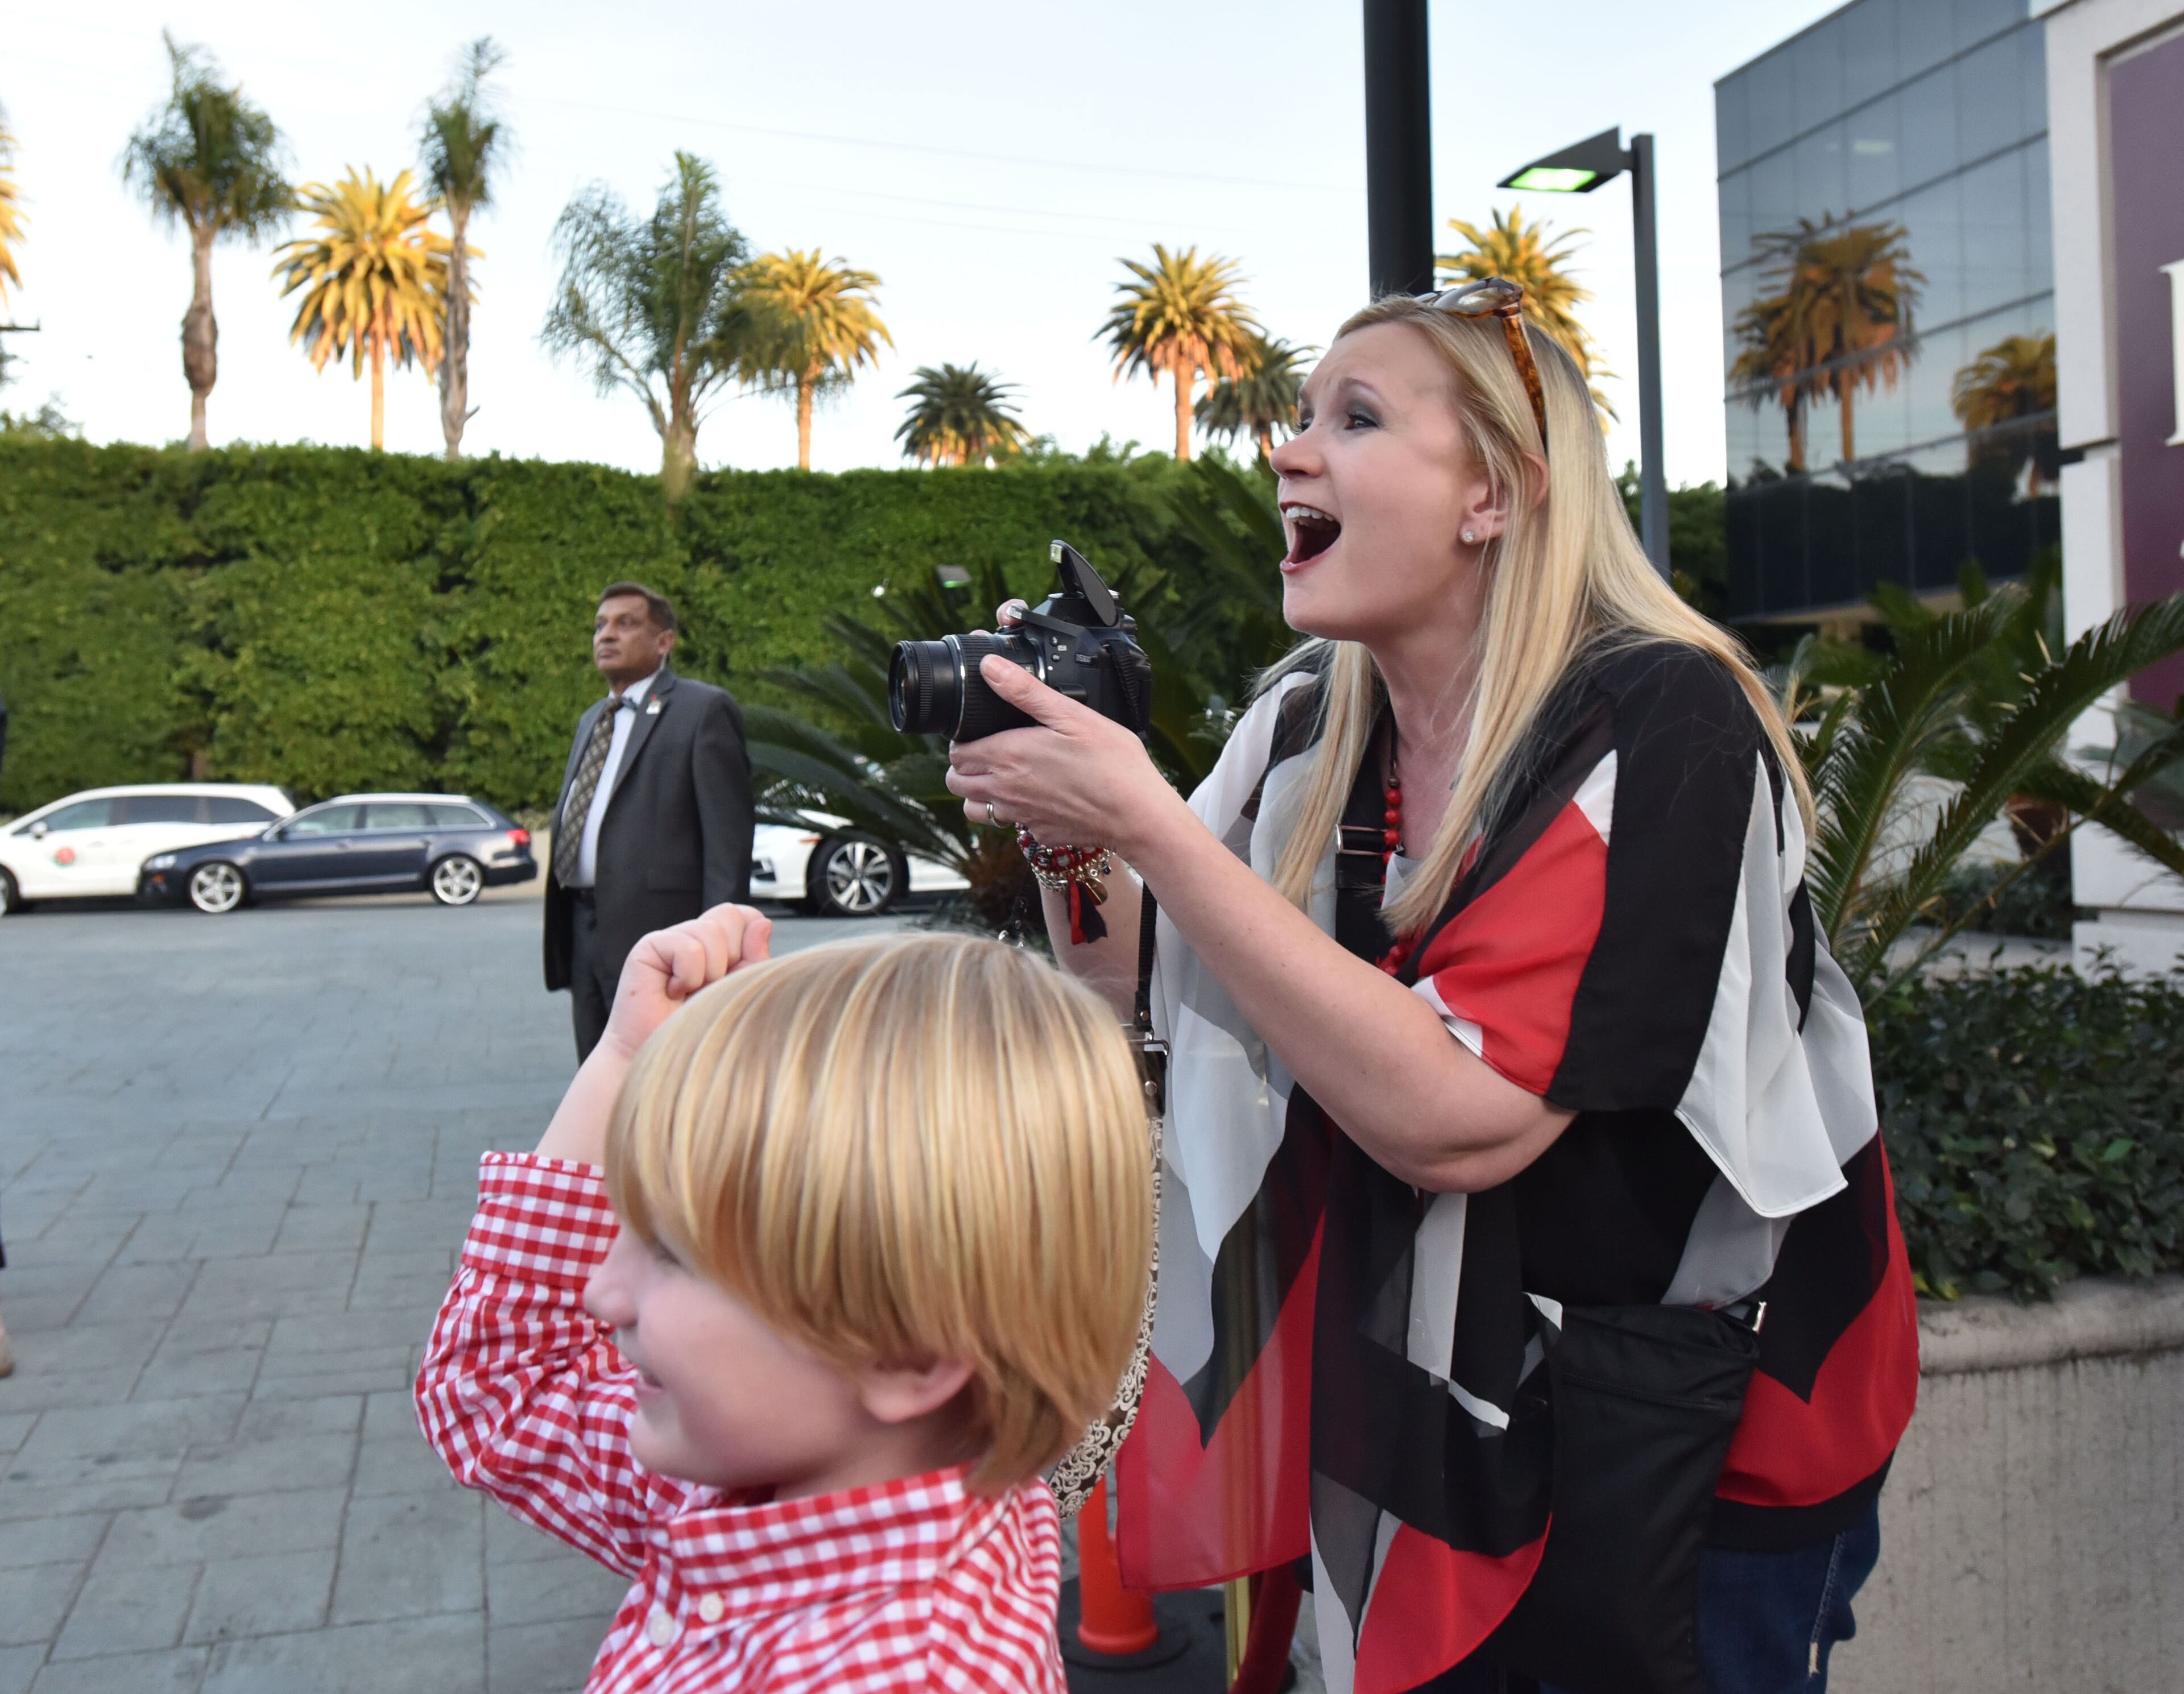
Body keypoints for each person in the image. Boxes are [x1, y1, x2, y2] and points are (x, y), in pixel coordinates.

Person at [945, 284, 1918, 1694]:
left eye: (1355, 417)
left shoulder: (1661, 722)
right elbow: (1136, 977)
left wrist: (1149, 820)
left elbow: (1465, 1113)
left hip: (1691, 1445)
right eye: (1296, 417)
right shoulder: (1307, 719)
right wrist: (1067, 826)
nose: (1289, 451)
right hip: (1419, 1415)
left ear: (1494, 494)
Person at [416, 913, 1154, 1693]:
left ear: (906, 1352)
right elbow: (505, 1386)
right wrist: (626, 1057)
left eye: (671, 1250)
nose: (601, 1289)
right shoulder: (796, 1473)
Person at [544, 583, 754, 1062]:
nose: (607, 635)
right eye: (600, 625)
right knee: (596, 1070)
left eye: (626, 623)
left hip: (662, 936)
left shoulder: (702, 711)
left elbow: (728, 842)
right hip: (583, 926)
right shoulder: (592, 720)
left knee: (663, 1073)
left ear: (665, 642)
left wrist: (716, 943)